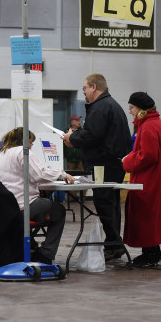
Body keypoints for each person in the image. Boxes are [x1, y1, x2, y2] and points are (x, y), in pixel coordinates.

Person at [63, 74, 132, 260]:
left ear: (94, 87)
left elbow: (92, 135)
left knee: (104, 203)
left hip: (104, 164)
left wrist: (72, 138)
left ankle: (114, 244)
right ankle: (113, 243)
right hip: (113, 163)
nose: (83, 91)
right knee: (111, 203)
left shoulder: (102, 107)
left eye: (84, 88)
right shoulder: (111, 105)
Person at [0, 127, 74, 264]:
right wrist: (62, 174)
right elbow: (39, 174)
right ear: (25, 141)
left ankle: (33, 249)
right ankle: (47, 254)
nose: (32, 145)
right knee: (58, 210)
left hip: (4, 209)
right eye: (31, 142)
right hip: (22, 206)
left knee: (43, 206)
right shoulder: (23, 152)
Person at [122, 92, 161, 267]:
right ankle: (152, 252)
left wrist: (126, 160)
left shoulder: (148, 127)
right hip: (154, 178)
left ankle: (150, 254)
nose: (130, 111)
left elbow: (147, 156)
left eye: (131, 108)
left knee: (145, 216)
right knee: (150, 217)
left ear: (140, 108)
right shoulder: (155, 123)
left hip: (148, 180)